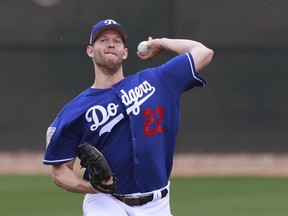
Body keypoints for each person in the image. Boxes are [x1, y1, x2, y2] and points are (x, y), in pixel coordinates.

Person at [43, 18, 214, 216]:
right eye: (103, 40)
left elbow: (203, 53)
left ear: (124, 52)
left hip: (157, 204)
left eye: (117, 41)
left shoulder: (157, 80)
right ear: (90, 50)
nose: (110, 44)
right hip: (105, 201)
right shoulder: (73, 112)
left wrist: (161, 42)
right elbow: (60, 172)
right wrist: (91, 187)